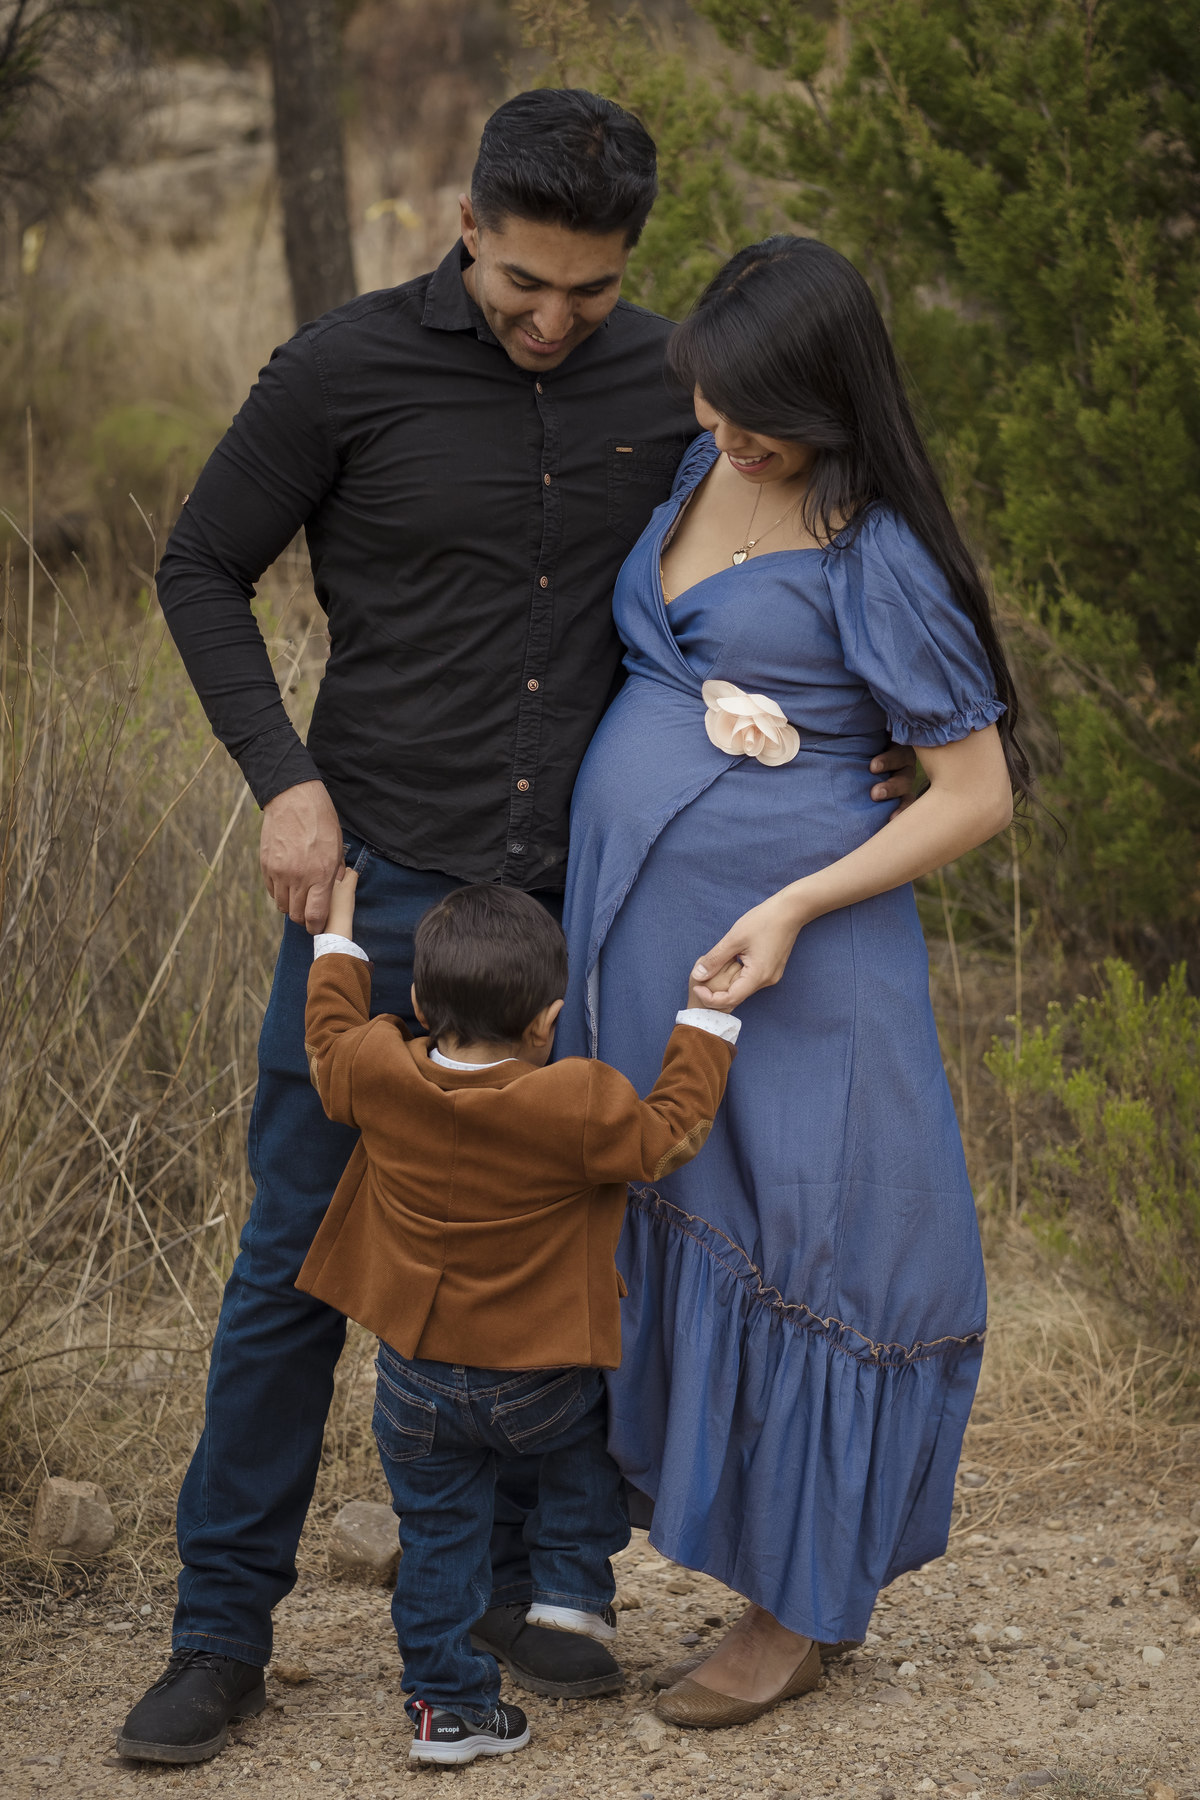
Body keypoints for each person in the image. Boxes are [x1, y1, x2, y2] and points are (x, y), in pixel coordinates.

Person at [117, 88, 915, 1764]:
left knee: (572, 1244)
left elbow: (797, 534)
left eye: (595, 292)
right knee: (296, 1255)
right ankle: (220, 1633)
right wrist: (280, 778)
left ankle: (512, 1593)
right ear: (466, 224)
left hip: (585, 909)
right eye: (525, 282)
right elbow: (199, 568)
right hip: (382, 879)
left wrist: (868, 728)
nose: (558, 321)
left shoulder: (672, 389)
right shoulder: (339, 371)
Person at [558, 234, 1032, 1729]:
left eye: (764, 417)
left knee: (808, 1245)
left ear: (836, 397)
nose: (731, 436)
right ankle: (629, 1557)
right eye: (717, 405)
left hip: (794, 962)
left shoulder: (874, 545)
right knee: (685, 1216)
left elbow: (975, 791)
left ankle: (800, 1607)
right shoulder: (700, 471)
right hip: (646, 941)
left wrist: (795, 904)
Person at [298, 872, 739, 1766]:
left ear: (421, 1001)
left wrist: (337, 935)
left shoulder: (379, 1071)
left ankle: (448, 1715)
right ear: (547, 1021)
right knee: (588, 1431)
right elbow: (669, 1134)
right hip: (538, 1381)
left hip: (415, 1384)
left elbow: (327, 1039)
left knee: (435, 1543)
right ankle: (572, 1585)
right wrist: (704, 1022)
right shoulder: (573, 1101)